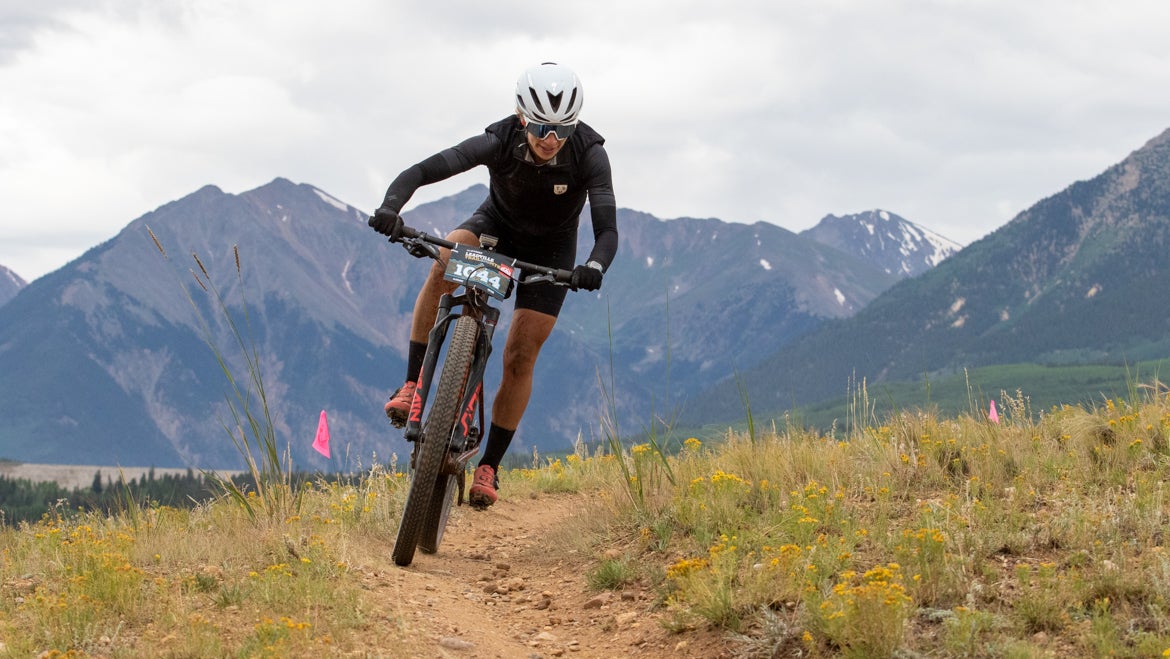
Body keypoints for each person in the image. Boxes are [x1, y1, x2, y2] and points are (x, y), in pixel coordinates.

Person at [370, 62, 618, 508]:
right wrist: (391, 207)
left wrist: (595, 265)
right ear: (522, 116)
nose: (551, 139)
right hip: (494, 229)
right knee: (445, 261)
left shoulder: (589, 154)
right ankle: (411, 385)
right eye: (541, 126)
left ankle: (490, 466)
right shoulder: (499, 139)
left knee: (520, 355)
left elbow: (607, 229)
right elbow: (425, 170)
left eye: (562, 129)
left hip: (553, 253)